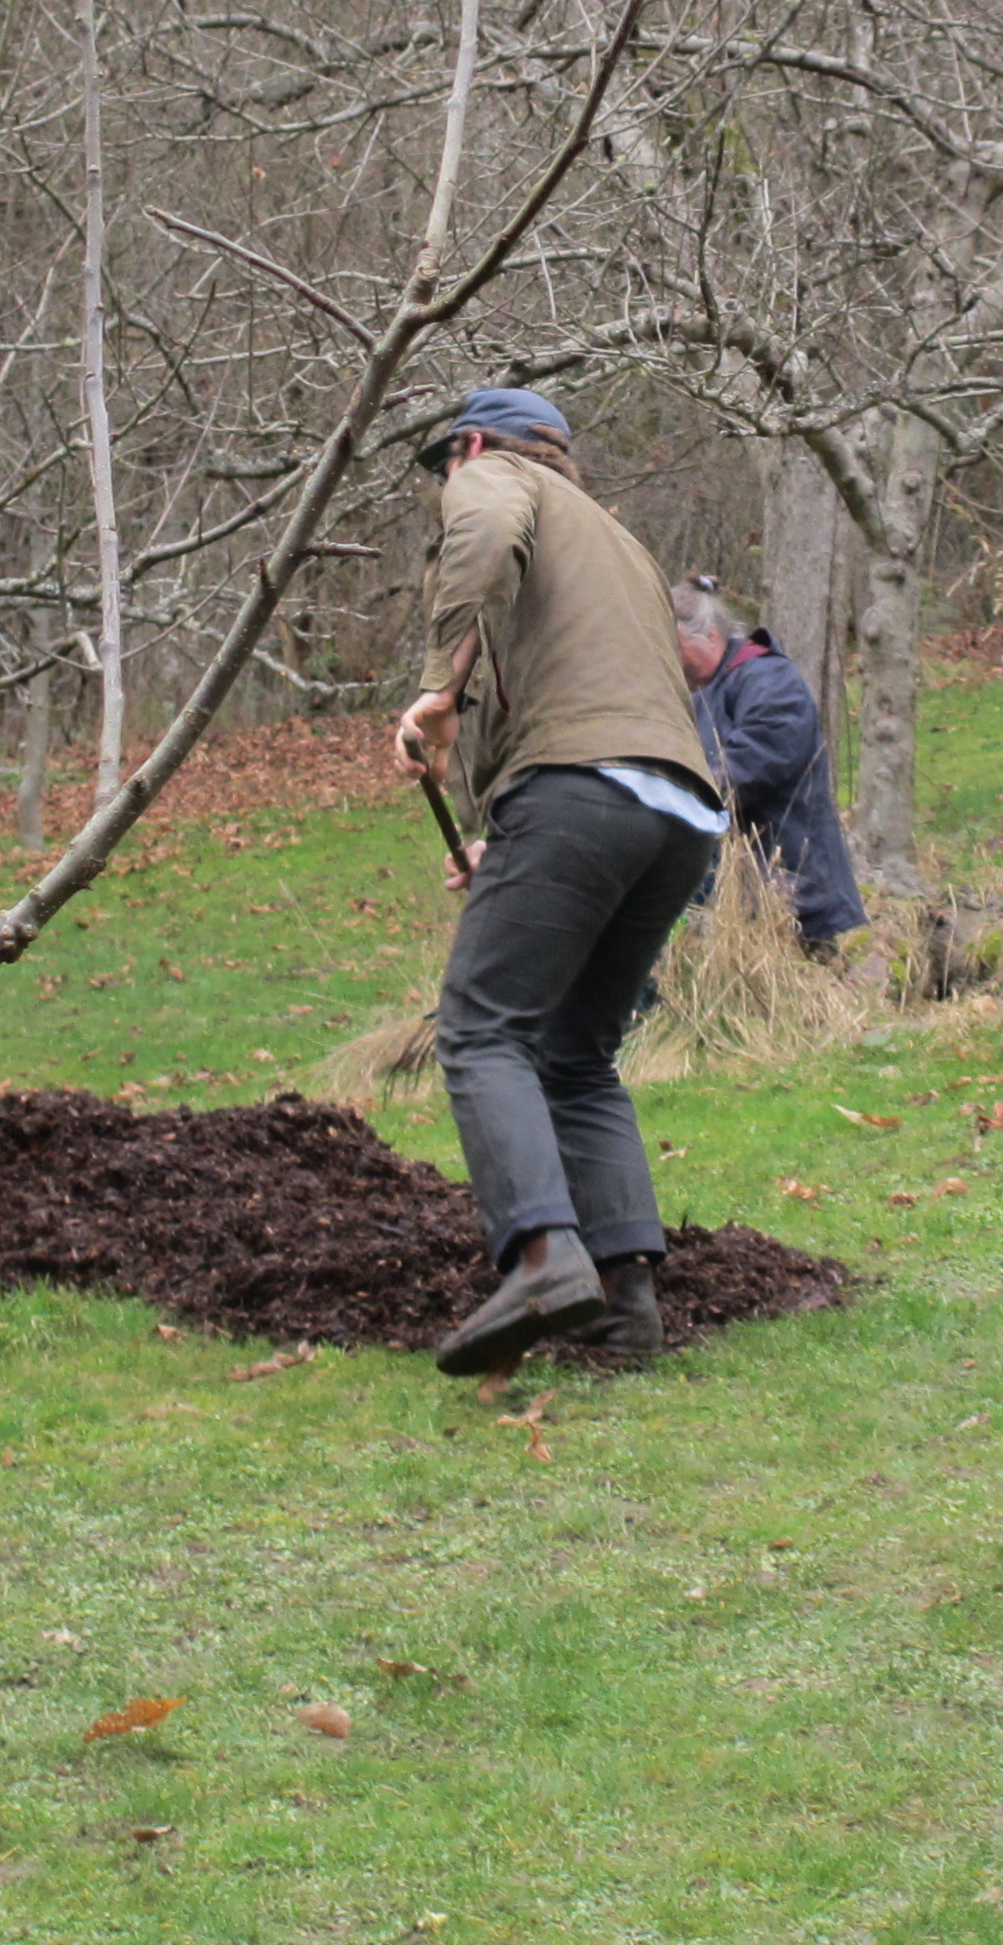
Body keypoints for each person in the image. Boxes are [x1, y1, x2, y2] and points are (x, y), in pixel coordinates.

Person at [391, 386, 725, 1371]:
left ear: (478, 444)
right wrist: (512, 832)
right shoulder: (618, 543)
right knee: (576, 1052)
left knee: (482, 1025)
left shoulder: (496, 479)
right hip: (675, 812)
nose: (447, 488)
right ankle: (627, 1305)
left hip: (585, 795)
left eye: (445, 467)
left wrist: (437, 688)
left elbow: (483, 533)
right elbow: (603, 688)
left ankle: (543, 1256)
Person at [671, 577, 865, 955]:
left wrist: (670, 797)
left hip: (794, 902)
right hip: (737, 902)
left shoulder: (771, 683)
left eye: (673, 647)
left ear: (709, 636)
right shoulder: (704, 692)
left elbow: (743, 770)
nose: (668, 661)